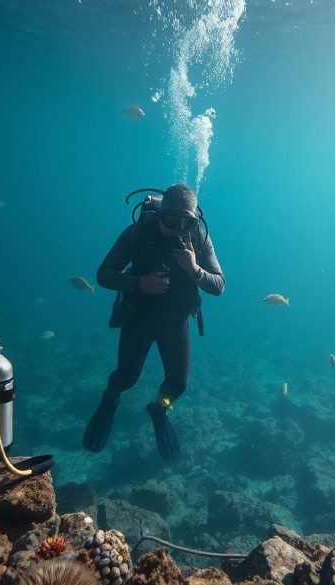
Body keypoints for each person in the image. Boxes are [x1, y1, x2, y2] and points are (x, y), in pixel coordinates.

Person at [82, 184, 225, 459]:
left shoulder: (199, 237)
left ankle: (158, 409)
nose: (178, 229)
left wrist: (194, 269)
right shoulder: (139, 233)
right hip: (139, 317)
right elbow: (104, 274)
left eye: (187, 222)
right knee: (126, 377)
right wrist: (139, 283)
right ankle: (110, 398)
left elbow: (219, 285)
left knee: (178, 384)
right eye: (171, 220)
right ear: (160, 214)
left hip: (176, 320)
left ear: (194, 221)